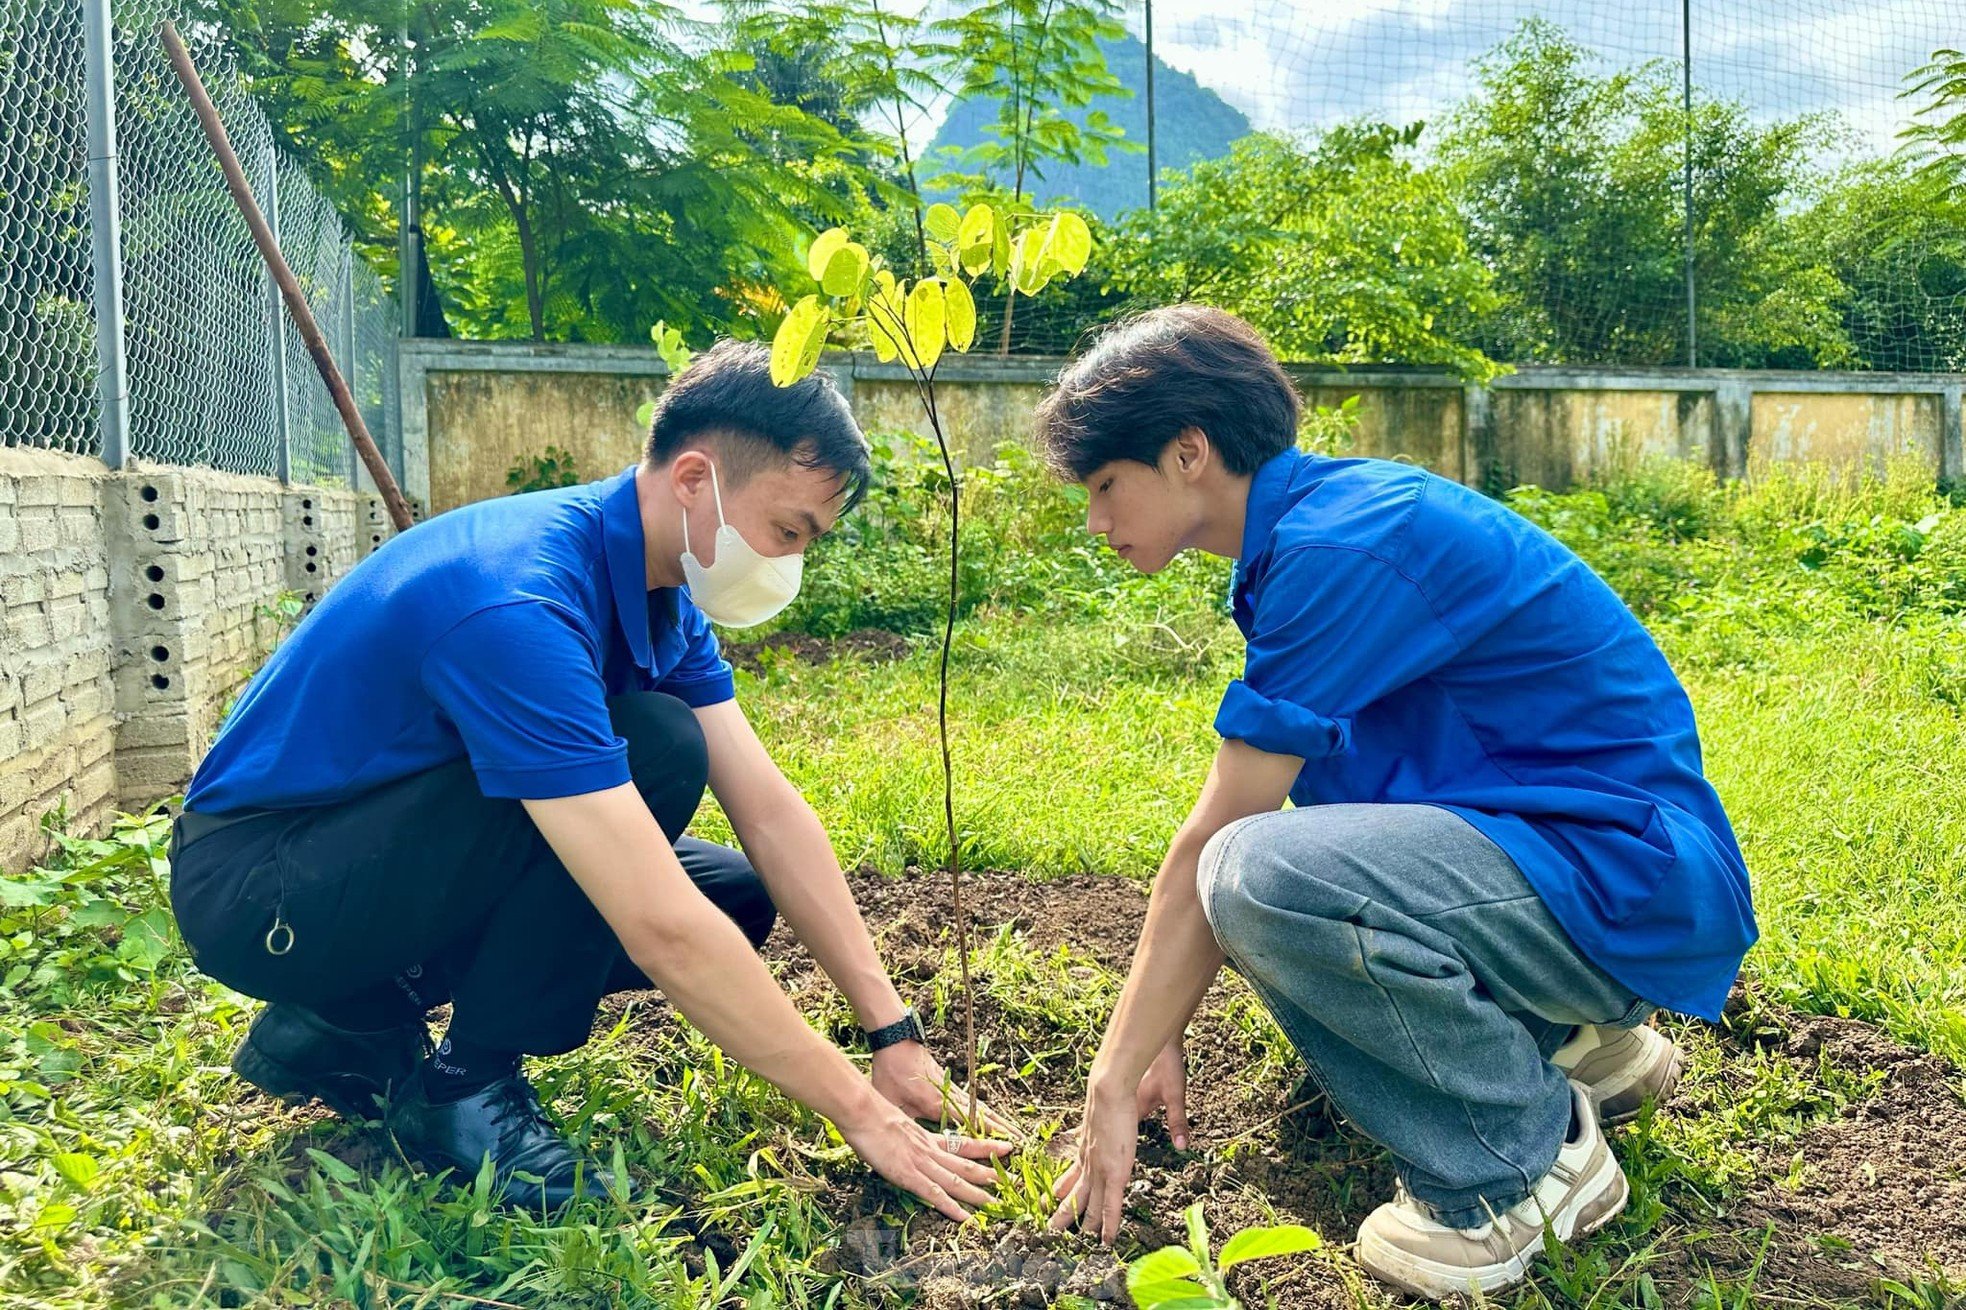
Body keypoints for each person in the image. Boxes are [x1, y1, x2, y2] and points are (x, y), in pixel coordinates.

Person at [169, 341, 1007, 1216]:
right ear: (694, 479)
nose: (790, 562)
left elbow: (768, 809)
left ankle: (343, 1020)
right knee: (656, 747)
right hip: (264, 892)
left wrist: (893, 1031)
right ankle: (464, 1089)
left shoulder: (656, 590)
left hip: (361, 860)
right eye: (788, 531)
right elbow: (658, 926)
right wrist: (862, 1115)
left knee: (732, 892)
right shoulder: (520, 600)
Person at [1032, 306, 1755, 1299]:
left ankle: (1517, 1166)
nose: (1096, 523)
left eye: (1105, 486)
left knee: (1256, 874)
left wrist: (1114, 1076)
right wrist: (1153, 1031)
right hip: (1594, 867)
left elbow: (1219, 835)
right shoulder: (1320, 528)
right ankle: (1575, 1043)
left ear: (1189, 452)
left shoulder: (1339, 549)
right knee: (1286, 862)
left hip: (1620, 879)